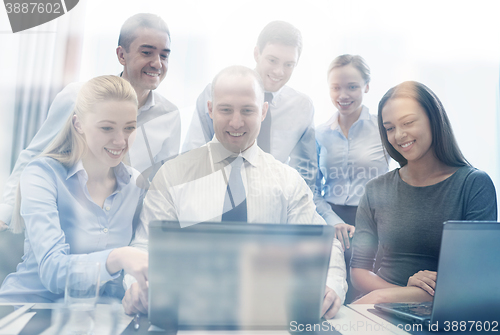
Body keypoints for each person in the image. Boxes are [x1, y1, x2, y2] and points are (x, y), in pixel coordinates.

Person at [123, 66, 347, 318]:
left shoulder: (288, 182)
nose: (236, 122)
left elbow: (325, 246)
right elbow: (144, 246)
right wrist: (135, 286)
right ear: (210, 110)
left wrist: (331, 286)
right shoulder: (173, 175)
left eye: (248, 110)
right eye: (225, 109)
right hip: (188, 317)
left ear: (263, 112)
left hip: (266, 318)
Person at [0, 13, 180, 231]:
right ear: (122, 55)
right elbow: (34, 157)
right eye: (147, 52)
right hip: (64, 226)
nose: (157, 63)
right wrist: (5, 214)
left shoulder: (169, 116)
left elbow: (161, 191)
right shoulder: (78, 96)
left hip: (121, 234)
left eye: (164, 55)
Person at [0, 76, 148, 303]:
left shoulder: (134, 184)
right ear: (78, 124)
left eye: (129, 128)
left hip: (94, 316)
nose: (121, 141)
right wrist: (118, 257)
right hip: (28, 308)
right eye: (107, 128)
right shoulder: (42, 175)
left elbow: (129, 267)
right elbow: (53, 272)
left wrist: (137, 290)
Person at [350, 81, 497, 304]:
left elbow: (474, 276)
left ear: (433, 119)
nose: (399, 135)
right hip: (380, 307)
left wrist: (387, 296)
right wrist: (394, 294)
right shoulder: (375, 189)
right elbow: (359, 272)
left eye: (407, 122)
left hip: (443, 310)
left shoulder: (473, 184)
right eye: (389, 128)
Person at [182, 21, 317, 190]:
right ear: (256, 53)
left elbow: (306, 175)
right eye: (272, 60)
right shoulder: (218, 92)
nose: (279, 71)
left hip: (273, 202)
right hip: (216, 195)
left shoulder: (302, 107)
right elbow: (192, 156)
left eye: (288, 64)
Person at [314, 54, 390, 303]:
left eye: (352, 87)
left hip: (375, 220)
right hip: (331, 220)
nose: (343, 95)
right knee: (331, 289)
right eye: (336, 87)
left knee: (366, 294)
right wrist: (332, 220)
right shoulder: (320, 133)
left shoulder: (384, 128)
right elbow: (312, 188)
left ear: (366, 86)